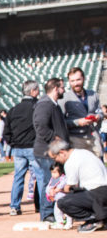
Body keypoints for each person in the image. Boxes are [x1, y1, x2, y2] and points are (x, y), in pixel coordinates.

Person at [48, 137, 107, 233]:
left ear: (62, 152)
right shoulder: (83, 152)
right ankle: (101, 217)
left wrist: (57, 190)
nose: (56, 161)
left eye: (55, 158)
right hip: (102, 190)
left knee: (63, 202)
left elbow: (70, 187)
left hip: (98, 192)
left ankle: (96, 220)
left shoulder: (70, 162)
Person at [33, 77, 71, 223]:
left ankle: (54, 212)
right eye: (62, 87)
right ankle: (47, 214)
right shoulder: (45, 104)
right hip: (47, 151)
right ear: (55, 88)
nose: (63, 90)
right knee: (50, 182)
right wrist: (56, 142)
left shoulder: (52, 104)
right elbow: (40, 126)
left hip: (52, 150)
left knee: (54, 181)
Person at [4, 80, 40, 216]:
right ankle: (42, 206)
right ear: (33, 91)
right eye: (37, 90)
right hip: (32, 147)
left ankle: (14, 206)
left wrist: (13, 143)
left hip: (18, 148)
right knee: (40, 177)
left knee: (18, 177)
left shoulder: (14, 109)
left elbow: (6, 132)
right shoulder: (37, 107)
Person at [60, 67, 102, 157]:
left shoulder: (93, 94)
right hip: (76, 140)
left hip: (94, 137)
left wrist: (98, 116)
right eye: (72, 81)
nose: (76, 83)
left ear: (83, 78)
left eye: (78, 80)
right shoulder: (64, 98)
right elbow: (60, 122)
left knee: (99, 166)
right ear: (69, 82)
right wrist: (78, 122)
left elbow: (100, 112)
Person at [44, 162, 71, 230]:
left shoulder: (63, 178)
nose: (53, 174)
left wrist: (56, 190)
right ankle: (60, 223)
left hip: (65, 199)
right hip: (57, 200)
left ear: (61, 171)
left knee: (67, 211)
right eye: (52, 172)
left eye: (55, 172)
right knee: (57, 211)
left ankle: (69, 223)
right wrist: (49, 191)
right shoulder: (52, 179)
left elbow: (62, 185)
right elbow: (48, 187)